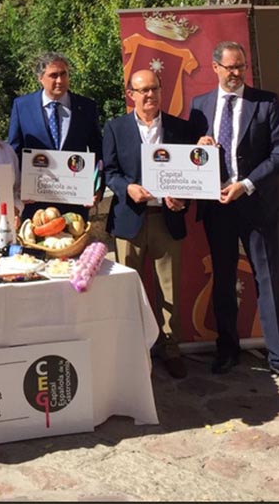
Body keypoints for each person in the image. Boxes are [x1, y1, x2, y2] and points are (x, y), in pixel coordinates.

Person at [188, 40, 279, 389]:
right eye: (229, 67)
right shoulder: (199, 106)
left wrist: (245, 184)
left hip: (255, 204)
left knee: (268, 280)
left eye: (240, 67)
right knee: (224, 279)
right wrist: (199, 148)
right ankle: (227, 350)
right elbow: (188, 155)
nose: (236, 73)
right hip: (216, 207)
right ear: (214, 67)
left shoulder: (266, 102)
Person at [102, 69, 195, 379]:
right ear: (131, 94)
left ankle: (171, 349)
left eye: (154, 88)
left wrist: (182, 199)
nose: (149, 95)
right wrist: (128, 188)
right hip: (130, 221)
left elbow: (192, 177)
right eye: (142, 90)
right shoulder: (115, 128)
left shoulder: (181, 129)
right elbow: (110, 173)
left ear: (161, 90)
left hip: (167, 220)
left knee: (169, 291)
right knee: (128, 291)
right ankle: (132, 350)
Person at [8, 51, 104, 220]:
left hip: (75, 202)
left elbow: (98, 151)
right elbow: (15, 151)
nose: (60, 80)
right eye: (53, 75)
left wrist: (98, 187)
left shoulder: (86, 107)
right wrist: (18, 188)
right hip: (35, 203)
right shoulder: (22, 106)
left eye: (63, 74)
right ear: (40, 78)